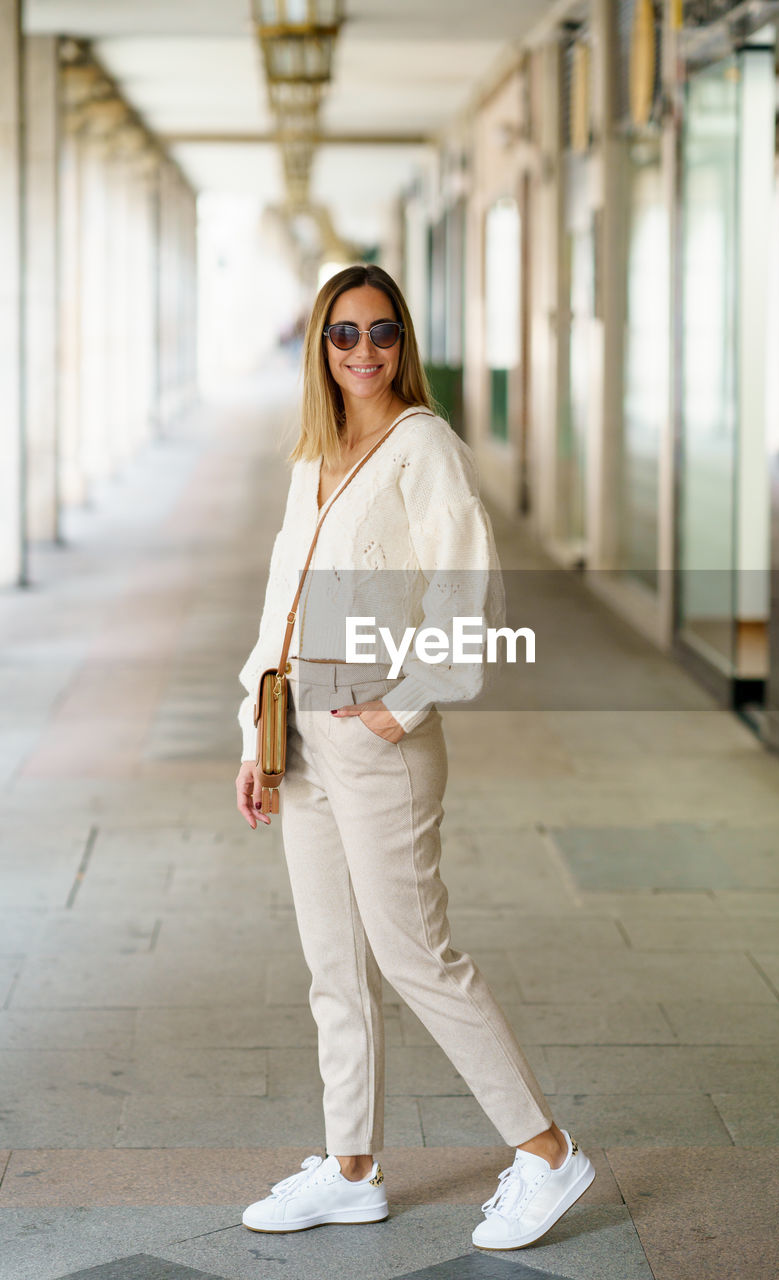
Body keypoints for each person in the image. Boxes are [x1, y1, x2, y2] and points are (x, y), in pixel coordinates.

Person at [234, 263, 594, 1250]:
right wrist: (253, 729)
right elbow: (281, 601)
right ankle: (351, 1168)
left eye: (380, 331)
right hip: (299, 731)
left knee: (415, 953)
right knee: (333, 962)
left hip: (374, 737)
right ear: (319, 345)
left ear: (404, 342)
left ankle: (549, 1151)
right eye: (342, 334)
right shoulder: (314, 453)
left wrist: (404, 701)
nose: (362, 351)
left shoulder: (421, 445)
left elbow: (467, 592)